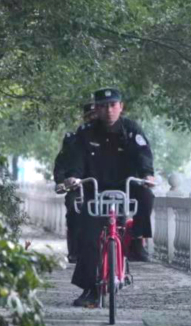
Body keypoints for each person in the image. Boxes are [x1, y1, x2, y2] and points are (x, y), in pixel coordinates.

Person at [64, 87, 155, 307]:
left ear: (121, 107)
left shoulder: (131, 130)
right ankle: (90, 289)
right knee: (90, 235)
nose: (109, 110)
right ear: (96, 109)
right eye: (103, 106)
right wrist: (73, 177)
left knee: (146, 194)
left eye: (113, 105)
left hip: (126, 187)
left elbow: (143, 154)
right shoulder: (85, 132)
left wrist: (147, 175)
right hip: (96, 189)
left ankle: (136, 240)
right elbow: (75, 159)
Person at [53, 102, 97, 263]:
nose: (93, 119)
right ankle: (75, 251)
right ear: (84, 118)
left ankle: (121, 249)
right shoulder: (73, 139)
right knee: (74, 208)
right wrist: (61, 181)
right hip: (79, 186)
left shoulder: (113, 136)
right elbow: (61, 164)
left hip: (105, 185)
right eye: (89, 116)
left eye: (95, 115)